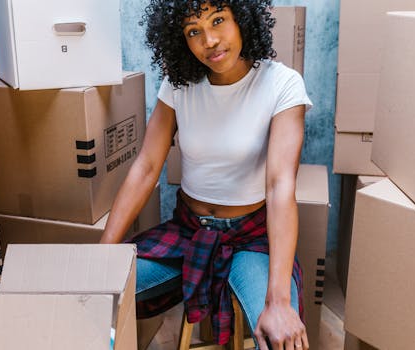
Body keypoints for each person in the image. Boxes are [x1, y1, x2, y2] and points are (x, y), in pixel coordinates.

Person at [100, 1, 312, 349]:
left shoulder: (282, 84)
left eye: (218, 21)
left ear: (243, 18)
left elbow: (279, 186)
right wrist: (101, 256)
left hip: (252, 240)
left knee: (282, 339)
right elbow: (147, 167)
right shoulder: (179, 85)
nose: (209, 40)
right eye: (194, 31)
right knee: (91, 295)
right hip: (189, 233)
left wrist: (278, 303)